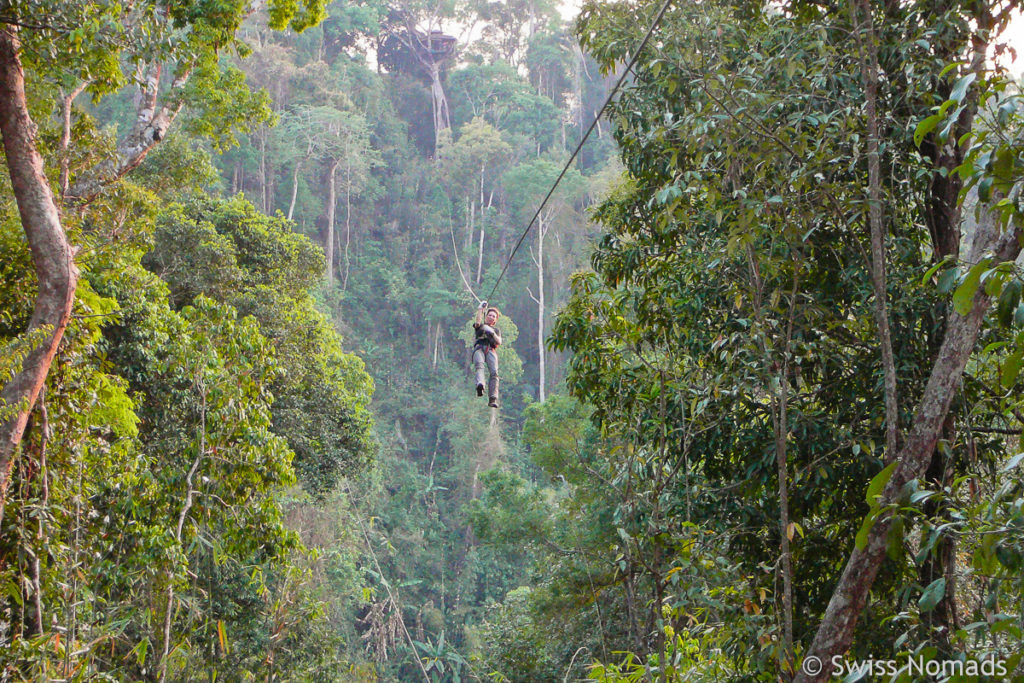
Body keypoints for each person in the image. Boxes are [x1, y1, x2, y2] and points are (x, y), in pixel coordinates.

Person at [472, 302, 502, 408]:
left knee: (494, 373)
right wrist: (481, 309)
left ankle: (493, 398)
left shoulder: (496, 330)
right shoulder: (481, 326)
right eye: (489, 315)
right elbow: (477, 322)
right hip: (479, 348)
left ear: (495, 320)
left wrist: (492, 333)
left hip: (491, 350)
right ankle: (480, 385)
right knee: (479, 365)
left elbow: (499, 342)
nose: (491, 317)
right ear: (486, 316)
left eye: (493, 316)